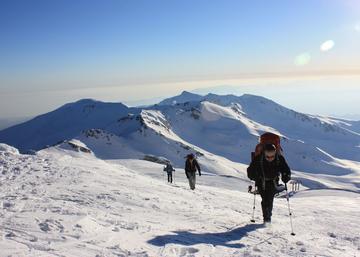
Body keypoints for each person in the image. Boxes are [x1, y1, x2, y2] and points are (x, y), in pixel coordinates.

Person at [247, 143, 291, 223]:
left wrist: (286, 175)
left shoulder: (279, 158)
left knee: (269, 199)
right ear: (264, 153)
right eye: (268, 156)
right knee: (265, 199)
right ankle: (267, 218)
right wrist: (253, 175)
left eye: (272, 156)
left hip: (273, 181)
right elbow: (250, 170)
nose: (270, 158)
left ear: (275, 153)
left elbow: (286, 169)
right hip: (261, 181)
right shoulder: (258, 158)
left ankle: (267, 218)